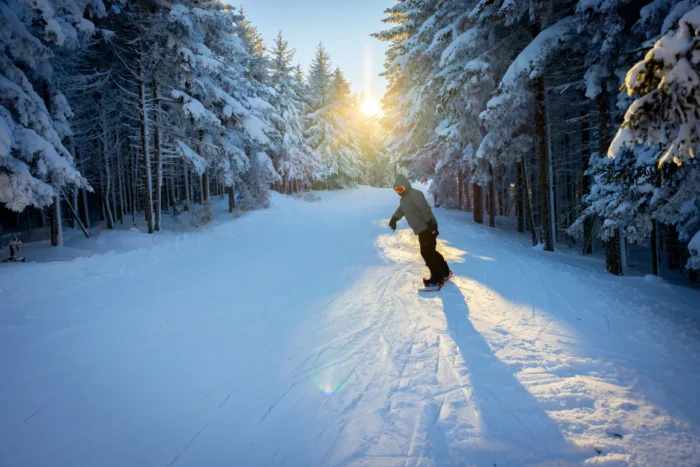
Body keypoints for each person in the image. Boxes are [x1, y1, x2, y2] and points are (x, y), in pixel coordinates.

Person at [389, 174, 452, 287]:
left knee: (426, 252)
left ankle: (437, 277)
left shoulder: (415, 194)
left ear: (406, 186)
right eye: (397, 190)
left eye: (401, 188)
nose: (399, 191)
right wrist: (394, 219)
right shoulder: (404, 200)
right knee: (431, 251)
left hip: (427, 226)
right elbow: (401, 210)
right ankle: (445, 272)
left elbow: (425, 209)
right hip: (421, 228)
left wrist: (431, 224)